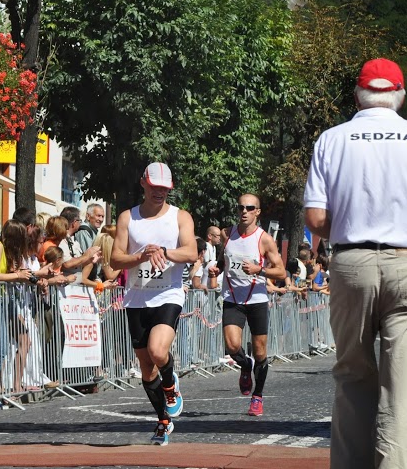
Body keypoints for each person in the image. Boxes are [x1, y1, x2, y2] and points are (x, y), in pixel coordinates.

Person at [303, 58, 407, 468]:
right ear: (400, 96)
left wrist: (350, 229)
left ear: (358, 96)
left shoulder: (332, 139)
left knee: (352, 376)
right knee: (404, 391)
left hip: (352, 262)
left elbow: (316, 219)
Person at [111, 162, 198, 445]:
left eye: (165, 188)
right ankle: (163, 421)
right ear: (143, 183)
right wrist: (141, 256)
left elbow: (191, 252)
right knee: (147, 368)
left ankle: (171, 386)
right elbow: (115, 259)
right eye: (154, 187)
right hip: (137, 298)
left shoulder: (180, 217)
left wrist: (164, 251)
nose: (159, 192)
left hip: (168, 294)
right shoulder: (128, 218)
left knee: (158, 350)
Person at [207, 194, 286, 417]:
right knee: (232, 346)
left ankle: (257, 396)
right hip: (233, 298)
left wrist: (259, 270)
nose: (244, 211)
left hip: (257, 300)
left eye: (250, 208)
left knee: (260, 352)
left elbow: (281, 271)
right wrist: (217, 268)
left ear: (257, 212)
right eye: (240, 207)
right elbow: (224, 258)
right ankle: (244, 365)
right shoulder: (227, 233)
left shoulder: (264, 239)